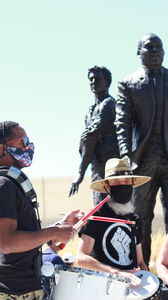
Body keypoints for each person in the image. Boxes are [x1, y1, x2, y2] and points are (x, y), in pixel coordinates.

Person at [0, 121, 82, 300]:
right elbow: (8, 243)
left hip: (27, 287)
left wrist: (60, 227)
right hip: (12, 292)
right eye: (22, 141)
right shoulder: (2, 185)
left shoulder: (12, 184)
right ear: (3, 149)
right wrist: (53, 232)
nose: (29, 146)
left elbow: (26, 238)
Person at [115, 33, 168, 266]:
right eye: (149, 47)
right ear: (139, 53)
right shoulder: (128, 84)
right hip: (141, 160)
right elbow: (122, 122)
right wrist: (126, 155)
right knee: (141, 218)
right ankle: (142, 269)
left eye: (159, 47)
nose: (155, 51)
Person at [77, 156, 150, 285]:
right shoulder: (95, 216)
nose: (123, 185)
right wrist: (116, 272)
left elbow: (140, 262)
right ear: (107, 186)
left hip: (132, 288)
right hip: (103, 288)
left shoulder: (134, 220)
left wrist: (148, 283)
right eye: (117, 181)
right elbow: (81, 258)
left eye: (127, 181)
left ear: (132, 184)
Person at [69, 66, 119, 205]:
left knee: (109, 208)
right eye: (90, 79)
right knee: (99, 205)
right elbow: (87, 143)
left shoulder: (108, 104)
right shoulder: (90, 111)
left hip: (111, 166)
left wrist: (80, 173)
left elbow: (91, 136)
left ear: (107, 82)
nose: (93, 82)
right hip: (97, 165)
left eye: (97, 79)